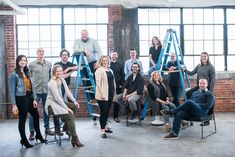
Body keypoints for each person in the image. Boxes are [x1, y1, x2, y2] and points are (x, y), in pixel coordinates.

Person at [10, 55, 47, 148]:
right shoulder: (14, 75)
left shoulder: (28, 73)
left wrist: (34, 98)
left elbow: (32, 87)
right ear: (18, 61)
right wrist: (14, 104)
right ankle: (24, 140)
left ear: (26, 62)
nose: (23, 62)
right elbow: (12, 90)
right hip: (21, 98)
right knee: (22, 119)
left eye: (24, 60)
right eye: (21, 60)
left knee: (36, 115)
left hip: (30, 96)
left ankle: (38, 135)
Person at [45, 65, 84, 147]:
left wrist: (74, 101)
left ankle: (66, 126)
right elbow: (57, 98)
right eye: (57, 71)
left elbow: (67, 92)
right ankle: (75, 138)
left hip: (59, 103)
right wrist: (67, 108)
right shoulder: (52, 82)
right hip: (51, 105)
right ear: (54, 72)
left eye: (60, 71)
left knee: (75, 106)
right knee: (70, 115)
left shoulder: (62, 80)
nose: (59, 72)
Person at [28, 48, 54, 141]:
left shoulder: (49, 64)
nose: (41, 53)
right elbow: (28, 77)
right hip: (35, 91)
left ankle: (47, 128)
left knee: (46, 110)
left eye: (43, 51)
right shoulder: (31, 65)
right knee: (32, 112)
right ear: (36, 53)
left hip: (46, 91)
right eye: (39, 51)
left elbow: (50, 78)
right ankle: (32, 131)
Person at [184, 52, 215, 126]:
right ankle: (192, 109)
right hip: (199, 86)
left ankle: (207, 119)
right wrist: (184, 70)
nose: (204, 57)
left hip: (207, 87)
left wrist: (210, 90)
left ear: (207, 57)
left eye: (205, 56)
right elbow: (191, 73)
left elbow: (213, 79)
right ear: (200, 58)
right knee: (188, 93)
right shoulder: (199, 66)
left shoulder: (211, 67)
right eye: (202, 56)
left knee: (210, 100)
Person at [73, 29, 102, 103]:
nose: (84, 35)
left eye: (85, 34)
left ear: (88, 35)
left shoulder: (93, 41)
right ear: (81, 35)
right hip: (83, 64)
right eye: (83, 34)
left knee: (97, 74)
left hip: (93, 62)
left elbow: (99, 51)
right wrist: (84, 50)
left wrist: (99, 62)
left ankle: (98, 94)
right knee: (87, 80)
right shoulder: (77, 41)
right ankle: (92, 98)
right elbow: (75, 49)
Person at [95, 55, 116, 138]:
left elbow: (112, 82)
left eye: (106, 60)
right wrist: (102, 94)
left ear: (108, 61)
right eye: (103, 60)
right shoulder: (99, 70)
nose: (105, 62)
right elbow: (98, 84)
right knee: (103, 113)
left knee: (107, 112)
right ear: (101, 61)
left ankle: (106, 127)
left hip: (110, 94)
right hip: (102, 96)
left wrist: (114, 93)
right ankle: (102, 131)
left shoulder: (110, 70)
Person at [109, 51, 125, 123]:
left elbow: (123, 76)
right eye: (113, 55)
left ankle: (116, 116)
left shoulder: (120, 65)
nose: (114, 56)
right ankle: (106, 116)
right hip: (109, 85)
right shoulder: (108, 65)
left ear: (117, 56)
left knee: (116, 101)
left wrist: (121, 84)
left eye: (115, 55)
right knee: (108, 100)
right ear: (110, 56)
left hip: (118, 85)